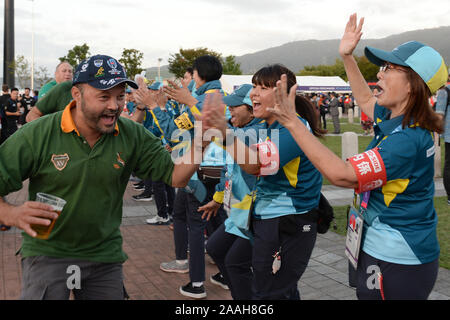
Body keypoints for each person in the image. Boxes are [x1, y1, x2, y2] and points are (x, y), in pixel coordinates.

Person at [267, 14, 446, 300]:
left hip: (399, 258)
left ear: (413, 83)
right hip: (383, 249)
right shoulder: (397, 118)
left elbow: (342, 175)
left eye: (388, 68)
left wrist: (293, 124)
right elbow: (364, 99)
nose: (379, 74)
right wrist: (346, 56)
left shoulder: (407, 140)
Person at [0, 54, 209, 300]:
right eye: (104, 96)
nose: (114, 105)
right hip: (48, 253)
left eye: (120, 96)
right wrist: (11, 214)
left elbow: (176, 177)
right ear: (76, 95)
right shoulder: (40, 133)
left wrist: (204, 138)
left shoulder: (131, 134)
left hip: (103, 256)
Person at [202, 64, 324, 300]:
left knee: (269, 291)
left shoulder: (293, 128)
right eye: (254, 86)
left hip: (287, 220)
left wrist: (223, 132)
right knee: (265, 282)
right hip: (268, 217)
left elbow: (255, 164)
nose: (254, 93)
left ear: (285, 94)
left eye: (263, 87)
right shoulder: (272, 126)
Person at [202, 84, 262, 299]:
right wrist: (218, 199)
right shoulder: (237, 132)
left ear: (250, 108)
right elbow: (228, 170)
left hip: (259, 214)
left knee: (236, 264)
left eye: (235, 106)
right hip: (240, 213)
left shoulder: (254, 132)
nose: (231, 111)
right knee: (217, 249)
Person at [435, 77, 450, 205]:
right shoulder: (444, 92)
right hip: (449, 135)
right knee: (449, 164)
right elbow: (439, 115)